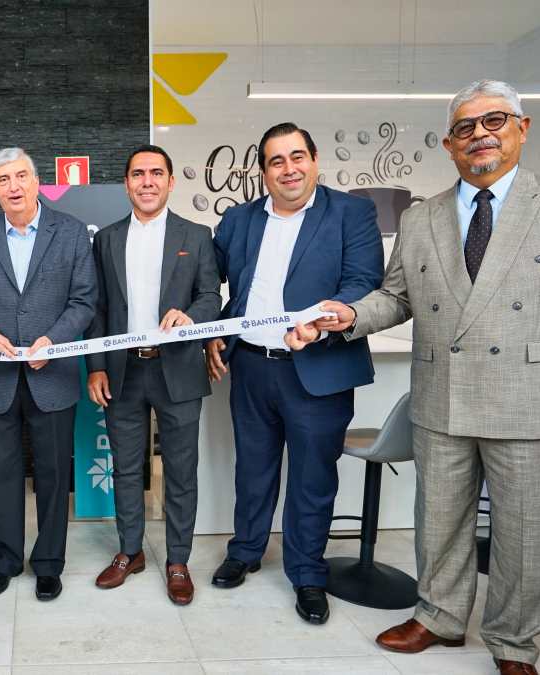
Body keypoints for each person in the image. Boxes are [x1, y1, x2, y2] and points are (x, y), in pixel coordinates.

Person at [286, 80, 540, 675]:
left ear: (523, 128)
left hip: (537, 401)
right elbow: (396, 297)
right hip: (443, 395)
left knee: (528, 534)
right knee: (439, 522)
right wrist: (345, 316)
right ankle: (439, 616)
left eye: (494, 121)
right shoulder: (421, 217)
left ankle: (514, 641)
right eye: (465, 127)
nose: (480, 135)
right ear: (448, 144)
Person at [204, 123, 384, 624]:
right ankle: (245, 551)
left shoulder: (351, 212)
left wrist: (321, 321)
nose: (289, 169)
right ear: (263, 171)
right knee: (252, 468)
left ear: (314, 160)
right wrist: (210, 329)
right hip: (251, 365)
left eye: (297, 156)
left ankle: (307, 572)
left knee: (312, 477)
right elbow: (209, 281)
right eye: (276, 161)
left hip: (319, 367)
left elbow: (363, 282)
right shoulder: (238, 220)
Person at [0, 147, 96, 601]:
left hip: (52, 375)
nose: (13, 186)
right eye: (4, 179)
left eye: (21, 176)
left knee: (54, 475)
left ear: (37, 182)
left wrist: (53, 340)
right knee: (0, 474)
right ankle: (4, 561)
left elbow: (84, 301)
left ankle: (49, 564)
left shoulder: (71, 233)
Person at [86, 144, 220, 605]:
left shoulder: (196, 235)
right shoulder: (106, 239)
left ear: (170, 181)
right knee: (126, 467)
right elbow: (98, 308)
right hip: (122, 370)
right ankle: (130, 552)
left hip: (178, 368)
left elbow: (211, 296)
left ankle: (178, 560)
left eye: (156, 173)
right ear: (127, 183)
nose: (147, 181)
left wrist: (192, 317)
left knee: (181, 469)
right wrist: (96, 366)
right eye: (138, 174)